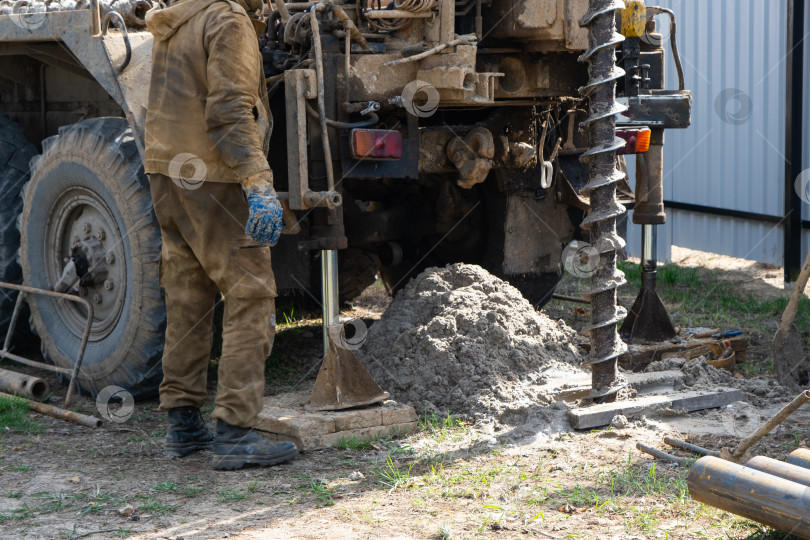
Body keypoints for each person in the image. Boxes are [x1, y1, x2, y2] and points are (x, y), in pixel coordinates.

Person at [143, 0, 298, 470]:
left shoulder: (179, 17)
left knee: (188, 295)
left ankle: (183, 425)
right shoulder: (227, 20)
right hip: (214, 177)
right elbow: (229, 110)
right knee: (250, 293)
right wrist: (257, 182)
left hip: (166, 171)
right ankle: (235, 431)